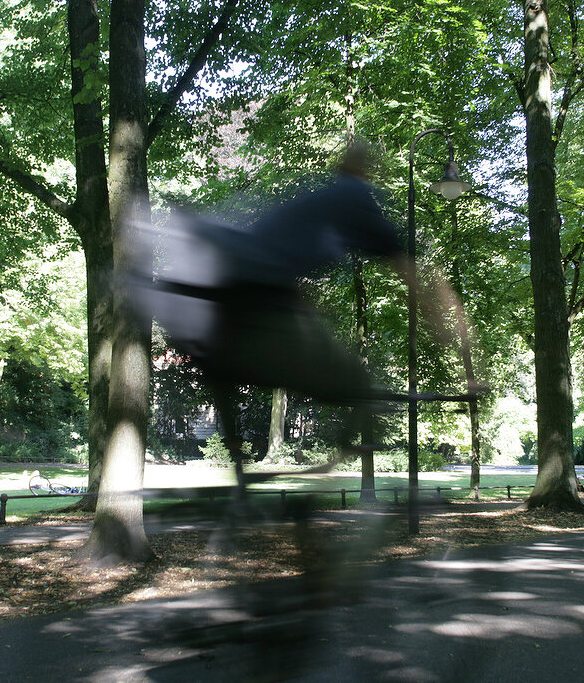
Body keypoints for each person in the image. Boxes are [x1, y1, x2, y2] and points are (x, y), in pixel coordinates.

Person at [127, 142, 472, 484]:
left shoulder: (310, 203)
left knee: (245, 372)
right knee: (361, 387)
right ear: (368, 172)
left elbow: (279, 270)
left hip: (213, 309)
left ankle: (240, 491)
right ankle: (327, 472)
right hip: (257, 305)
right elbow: (409, 270)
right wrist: (449, 332)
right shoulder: (357, 199)